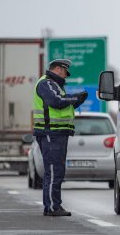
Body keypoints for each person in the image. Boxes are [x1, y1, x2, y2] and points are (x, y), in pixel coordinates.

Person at [32, 59, 87, 216]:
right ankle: (52, 207)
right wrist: (75, 98)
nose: (66, 76)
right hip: (50, 133)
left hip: (58, 133)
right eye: (64, 71)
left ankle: (55, 205)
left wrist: (76, 101)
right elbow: (55, 101)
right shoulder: (46, 83)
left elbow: (62, 104)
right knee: (53, 170)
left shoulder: (55, 85)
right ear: (57, 69)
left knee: (57, 170)